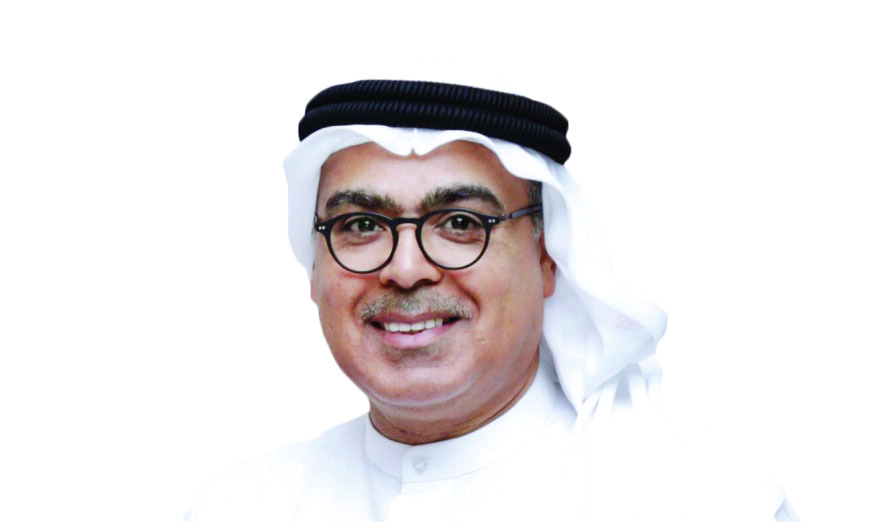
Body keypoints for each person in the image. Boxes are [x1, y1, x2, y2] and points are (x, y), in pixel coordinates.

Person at [185, 80, 800, 521]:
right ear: (316, 268)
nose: (406, 270)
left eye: (461, 224)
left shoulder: (707, 506)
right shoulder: (238, 507)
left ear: (547, 257)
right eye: (361, 226)